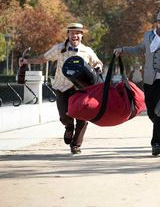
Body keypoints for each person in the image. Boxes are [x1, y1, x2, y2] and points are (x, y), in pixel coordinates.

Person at [19, 23, 103, 154]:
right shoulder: (59, 49)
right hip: (62, 87)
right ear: (68, 34)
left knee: (83, 119)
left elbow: (98, 63)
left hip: (81, 89)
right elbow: (43, 58)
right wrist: (26, 61)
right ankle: (69, 127)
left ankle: (76, 145)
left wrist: (98, 68)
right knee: (64, 116)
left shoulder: (87, 51)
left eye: (77, 33)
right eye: (72, 33)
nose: (74, 35)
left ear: (81, 35)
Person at [114, 10, 160, 156]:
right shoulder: (148, 36)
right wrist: (123, 50)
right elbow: (139, 49)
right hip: (149, 80)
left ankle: (156, 143)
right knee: (151, 112)